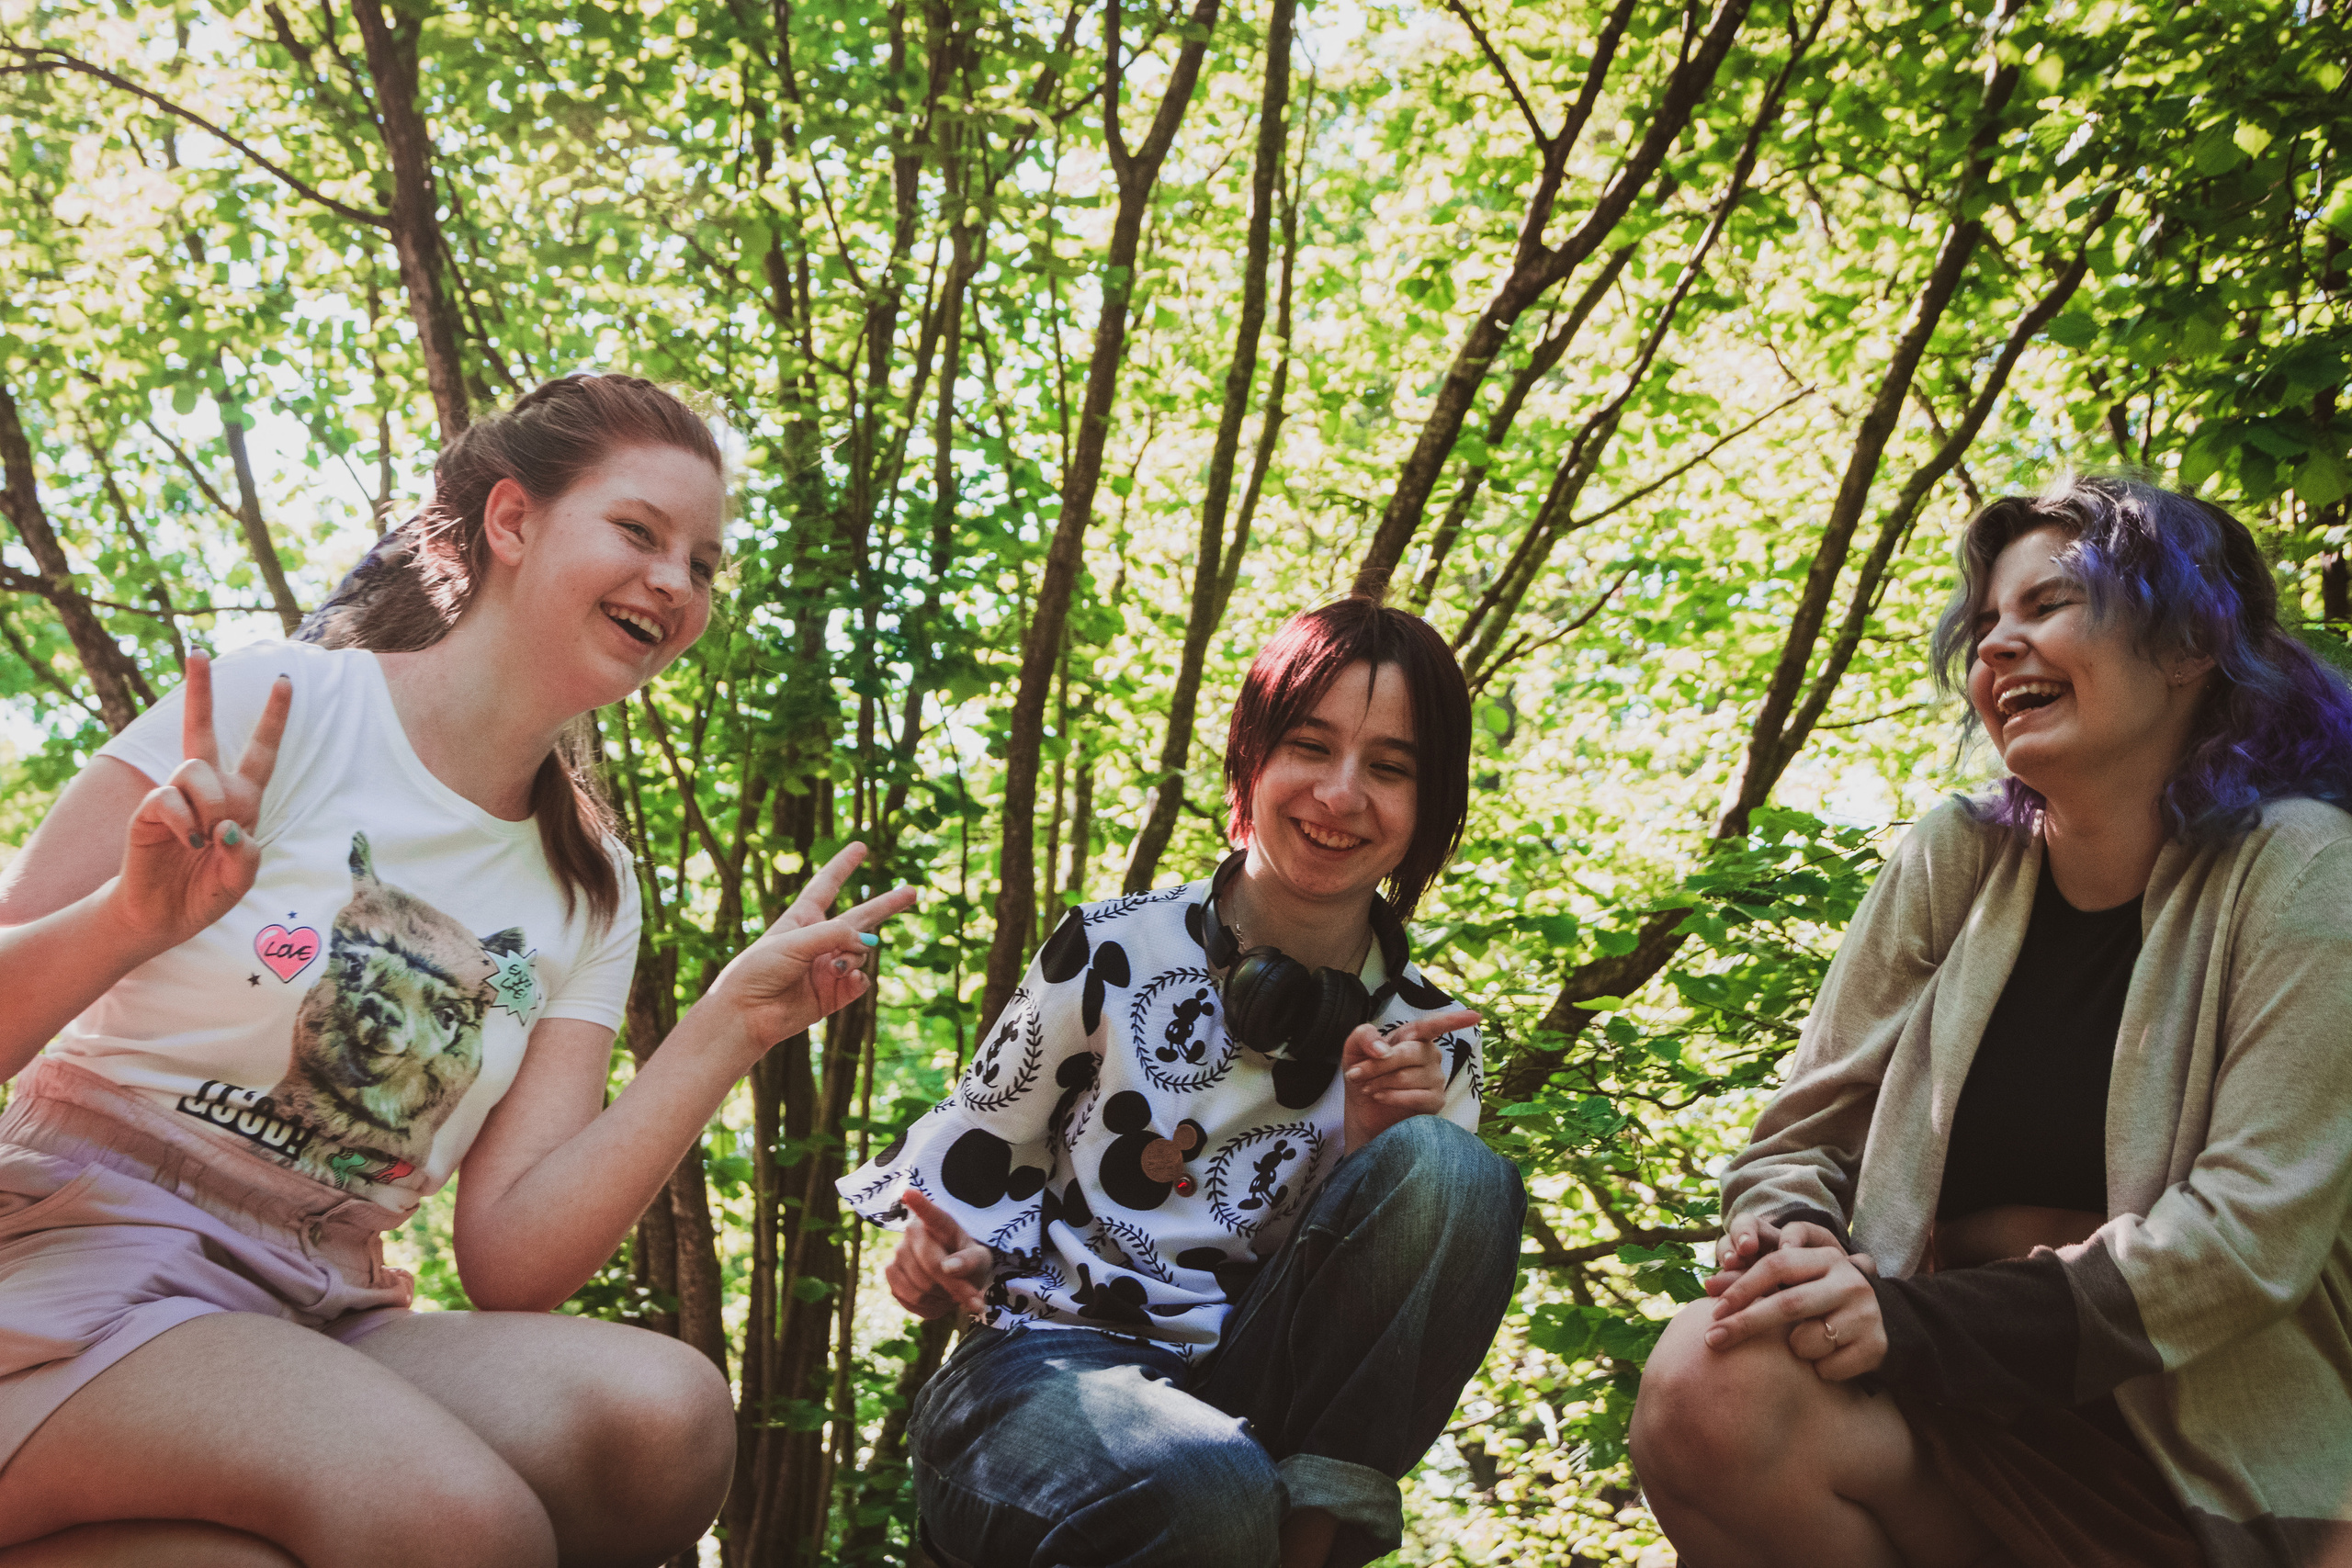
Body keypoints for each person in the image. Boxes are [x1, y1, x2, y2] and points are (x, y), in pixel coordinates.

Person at [0, 375, 914, 1568]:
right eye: (639, 532)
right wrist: (128, 918)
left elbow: (511, 1256)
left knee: (661, 1420)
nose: (677, 584)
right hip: (78, 1252)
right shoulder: (283, 709)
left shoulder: (592, 883)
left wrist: (727, 1028)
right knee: (459, 1523)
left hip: (318, 1300)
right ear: (512, 521)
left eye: (703, 562)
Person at [1630, 475, 2352, 1567]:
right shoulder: (1953, 857)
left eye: (2046, 605)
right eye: (1982, 628)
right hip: (1941, 1412)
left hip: (2195, 1465)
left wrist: (1916, 1318)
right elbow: (1796, 1141)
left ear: (2188, 645)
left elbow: (2243, 1242)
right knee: (1708, 1378)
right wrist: (1796, 1256)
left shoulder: (2302, 870)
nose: (1996, 648)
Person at [839, 597, 1526, 1568]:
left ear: (1431, 805)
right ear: (1252, 759)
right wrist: (937, 1265)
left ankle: (1305, 1550)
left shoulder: (1433, 1043)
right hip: (1039, 1384)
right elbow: (965, 1185)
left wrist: (1368, 1143)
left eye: (1389, 767)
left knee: (1456, 1172)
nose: (1339, 794)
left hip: (1262, 1413)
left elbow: (1370, 1335)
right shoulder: (1109, 949)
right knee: (1205, 1484)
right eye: (1309, 746)